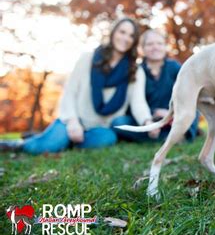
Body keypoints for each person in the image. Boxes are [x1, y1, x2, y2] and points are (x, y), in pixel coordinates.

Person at [13, 18, 153, 154]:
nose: (126, 38)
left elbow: (138, 102)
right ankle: (20, 145)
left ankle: (65, 141)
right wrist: (73, 122)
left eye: (131, 35)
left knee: (108, 138)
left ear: (134, 41)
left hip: (100, 128)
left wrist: (147, 121)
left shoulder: (135, 70)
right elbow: (70, 92)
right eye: (122, 32)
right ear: (113, 33)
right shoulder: (87, 59)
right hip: (75, 119)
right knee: (51, 145)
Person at [112, 30, 199, 142]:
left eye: (159, 43)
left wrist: (171, 113)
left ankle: (181, 135)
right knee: (119, 123)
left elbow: (189, 94)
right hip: (147, 120)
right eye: (150, 44)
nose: (155, 47)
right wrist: (152, 115)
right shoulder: (136, 70)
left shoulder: (174, 67)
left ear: (165, 46)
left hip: (173, 117)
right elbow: (133, 104)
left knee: (194, 105)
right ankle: (168, 137)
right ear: (142, 49)